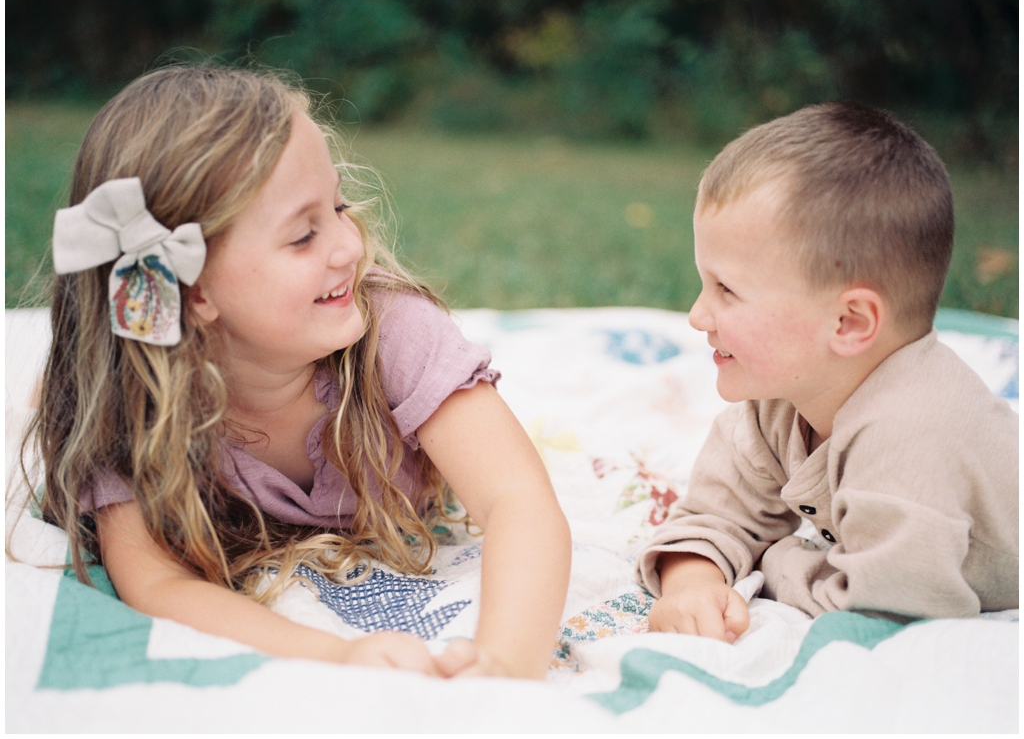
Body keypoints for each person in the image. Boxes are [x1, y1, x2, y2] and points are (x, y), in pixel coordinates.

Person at [29, 64, 571, 679]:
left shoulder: (394, 330)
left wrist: (504, 663)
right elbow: (156, 581)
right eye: (303, 236)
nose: (348, 245)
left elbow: (516, 498)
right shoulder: (139, 404)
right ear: (197, 288)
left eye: (338, 207)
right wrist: (339, 655)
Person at [637, 102, 1018, 642]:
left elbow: (892, 612)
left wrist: (779, 559)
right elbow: (714, 519)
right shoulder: (781, 397)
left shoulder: (912, 437)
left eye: (727, 290)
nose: (698, 315)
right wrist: (692, 584)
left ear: (847, 321)